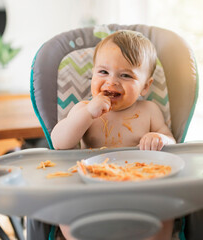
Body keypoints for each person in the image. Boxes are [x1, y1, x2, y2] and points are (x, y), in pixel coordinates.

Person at [51, 30, 176, 240]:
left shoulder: (149, 111)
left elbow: (171, 142)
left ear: (145, 86)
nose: (112, 81)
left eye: (126, 75)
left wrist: (160, 139)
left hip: (140, 188)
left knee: (166, 211)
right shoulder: (84, 109)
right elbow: (59, 143)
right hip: (92, 187)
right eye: (103, 72)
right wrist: (89, 114)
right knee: (65, 210)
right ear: (92, 74)